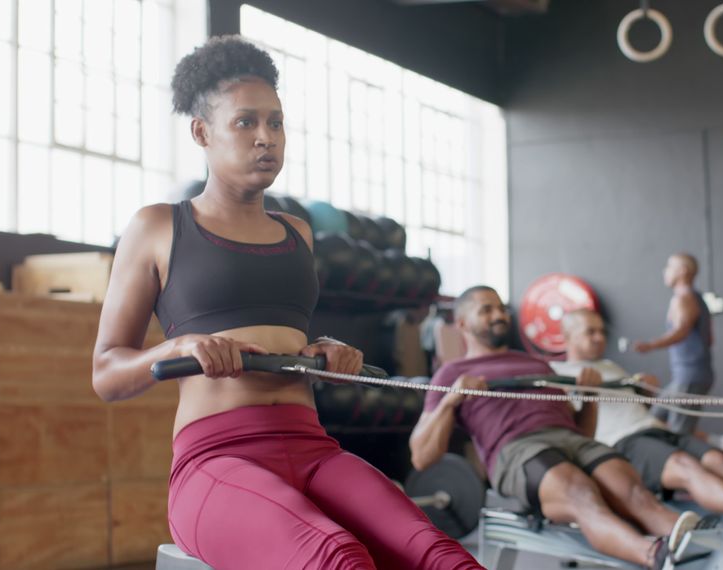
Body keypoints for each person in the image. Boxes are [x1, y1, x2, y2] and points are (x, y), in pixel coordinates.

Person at [91, 36, 481, 569]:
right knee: (339, 560)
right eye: (246, 123)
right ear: (202, 132)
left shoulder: (299, 233)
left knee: (443, 558)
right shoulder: (160, 226)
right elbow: (107, 373)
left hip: (312, 448)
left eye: (275, 123)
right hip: (216, 463)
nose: (265, 138)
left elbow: (287, 340)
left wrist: (330, 354)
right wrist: (181, 346)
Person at [409, 286, 703, 569]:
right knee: (581, 493)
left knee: (635, 493)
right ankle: (657, 556)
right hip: (518, 449)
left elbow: (580, 432)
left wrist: (589, 398)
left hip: (570, 440)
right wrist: (450, 401)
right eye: (486, 310)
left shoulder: (536, 364)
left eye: (501, 308)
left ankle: (707, 549)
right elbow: (421, 457)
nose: (499, 315)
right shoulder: (452, 372)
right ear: (462, 323)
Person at [554, 309, 723, 534]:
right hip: (623, 442)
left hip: (654, 429)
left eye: (601, 331)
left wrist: (644, 393)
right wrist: (587, 395)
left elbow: (631, 408)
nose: (599, 337)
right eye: (590, 331)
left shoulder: (607, 366)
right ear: (568, 336)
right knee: (686, 468)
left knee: (721, 461)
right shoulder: (557, 374)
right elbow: (573, 428)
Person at [633, 253, 714, 436]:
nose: (665, 271)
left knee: (680, 435)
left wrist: (651, 345)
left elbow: (681, 331)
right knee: (654, 419)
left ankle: (709, 452)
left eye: (670, 266)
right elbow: (710, 338)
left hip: (690, 376)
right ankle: (715, 442)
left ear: (683, 271)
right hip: (687, 375)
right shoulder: (696, 298)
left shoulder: (684, 299)